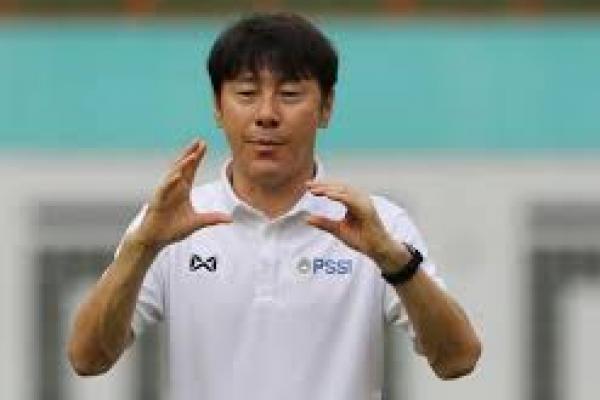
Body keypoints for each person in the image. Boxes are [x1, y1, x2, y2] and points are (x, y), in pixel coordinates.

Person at [67, 12, 481, 400]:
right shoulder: (173, 222)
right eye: (246, 93)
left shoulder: (376, 224)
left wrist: (394, 261)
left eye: (290, 94)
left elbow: (458, 360)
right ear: (218, 106)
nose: (267, 114)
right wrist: (141, 249)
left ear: (326, 107)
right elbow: (87, 358)